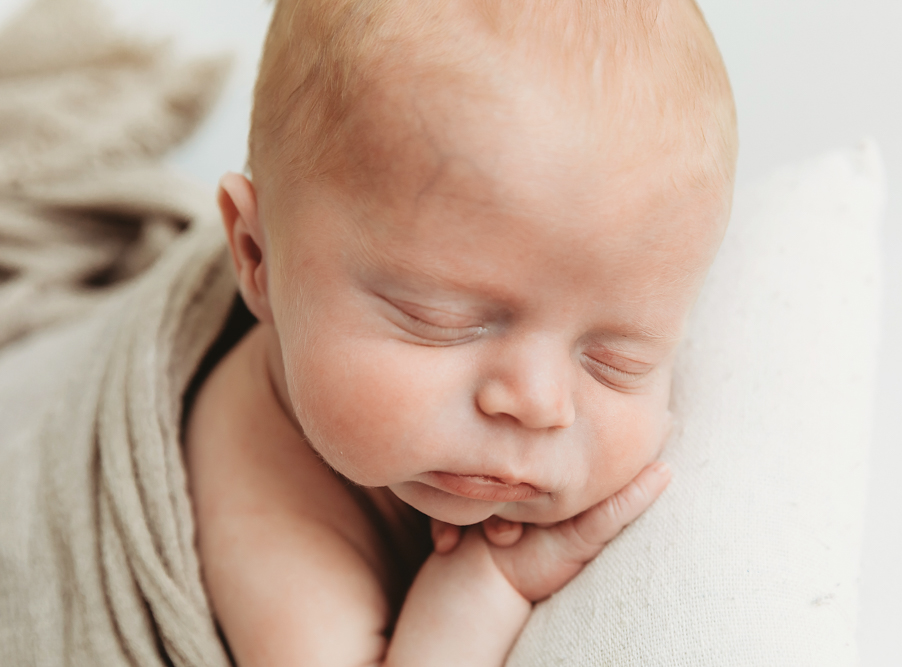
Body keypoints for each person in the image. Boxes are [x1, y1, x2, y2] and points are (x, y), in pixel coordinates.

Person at [184, 0, 737, 664]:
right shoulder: (261, 491)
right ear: (255, 254)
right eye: (440, 321)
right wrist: (484, 584)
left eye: (614, 359)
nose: (536, 402)